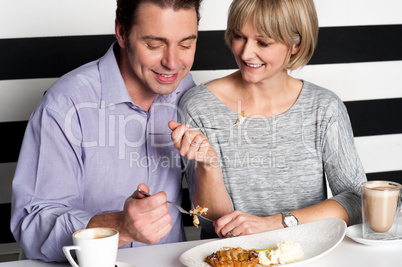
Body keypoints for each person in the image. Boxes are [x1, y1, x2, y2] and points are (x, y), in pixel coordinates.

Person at [11, 0, 202, 262]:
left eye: (186, 44)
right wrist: (120, 226)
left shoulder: (187, 91)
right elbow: (30, 222)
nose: (172, 63)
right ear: (122, 33)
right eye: (154, 45)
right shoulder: (65, 106)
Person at [169, 0, 367, 239]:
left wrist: (278, 222)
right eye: (239, 36)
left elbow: (358, 202)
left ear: (296, 44)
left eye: (262, 42)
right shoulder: (199, 105)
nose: (245, 52)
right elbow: (211, 225)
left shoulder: (324, 108)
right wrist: (208, 166)